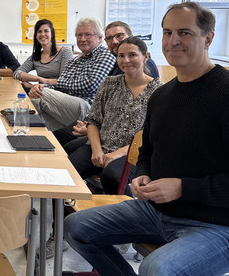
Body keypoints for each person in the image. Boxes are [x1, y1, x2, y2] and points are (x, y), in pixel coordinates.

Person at [65, 2, 229, 276]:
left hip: (225, 227)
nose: (173, 41)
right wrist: (143, 175)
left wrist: (183, 188)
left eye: (185, 33)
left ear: (208, 38)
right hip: (158, 212)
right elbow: (147, 151)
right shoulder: (162, 96)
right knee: (75, 227)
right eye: (167, 33)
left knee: (156, 270)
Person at [67, 36, 162, 194]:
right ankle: (65, 215)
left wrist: (117, 154)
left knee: (112, 176)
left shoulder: (159, 91)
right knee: (68, 170)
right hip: (102, 146)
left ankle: (115, 215)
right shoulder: (109, 84)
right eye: (121, 56)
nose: (126, 60)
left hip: (134, 153)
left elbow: (155, 134)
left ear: (145, 57)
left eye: (132, 55)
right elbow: (93, 121)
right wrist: (97, 150)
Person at [54, 20, 158, 150]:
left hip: (121, 140)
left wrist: (92, 129)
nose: (114, 41)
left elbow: (135, 118)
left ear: (131, 36)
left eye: (119, 36)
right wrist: (90, 124)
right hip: (99, 124)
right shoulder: (115, 65)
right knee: (61, 138)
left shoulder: (143, 67)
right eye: (109, 38)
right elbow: (104, 105)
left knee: (66, 143)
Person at [28, 17, 115, 131]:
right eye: (79, 35)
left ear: (99, 38)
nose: (82, 39)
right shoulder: (76, 59)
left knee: (41, 95)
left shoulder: (105, 55)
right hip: (68, 105)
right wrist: (40, 86)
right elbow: (61, 84)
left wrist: (48, 84)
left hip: (87, 108)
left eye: (88, 34)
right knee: (35, 111)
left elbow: (90, 85)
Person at [14, 18, 73, 84]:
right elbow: (17, 73)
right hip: (39, 92)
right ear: (36, 36)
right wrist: (39, 79)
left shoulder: (65, 52)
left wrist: (38, 84)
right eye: (39, 31)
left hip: (57, 93)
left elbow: (64, 82)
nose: (42, 34)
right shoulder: (36, 56)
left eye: (46, 31)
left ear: (52, 34)